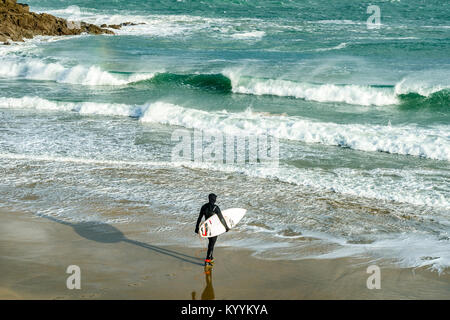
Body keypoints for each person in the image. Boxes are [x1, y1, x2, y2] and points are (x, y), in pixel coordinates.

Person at [195, 193, 229, 267]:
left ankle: (211, 257)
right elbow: (221, 219)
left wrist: (197, 227)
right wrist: (226, 227)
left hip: (207, 229)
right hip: (214, 229)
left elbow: (199, 218)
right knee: (211, 244)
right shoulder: (216, 208)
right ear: (214, 199)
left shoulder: (204, 207)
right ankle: (207, 260)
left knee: (210, 243)